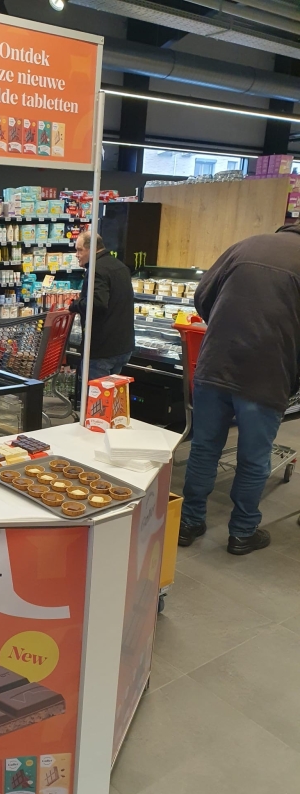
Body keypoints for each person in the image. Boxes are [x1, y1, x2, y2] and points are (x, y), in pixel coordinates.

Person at [179, 224, 300, 555]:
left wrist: (226, 328)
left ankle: (189, 522)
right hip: (266, 374)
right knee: (253, 457)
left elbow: (202, 295)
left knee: (204, 448)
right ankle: (242, 532)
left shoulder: (246, 245)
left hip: (215, 364)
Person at [69, 231, 134, 380]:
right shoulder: (120, 266)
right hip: (122, 346)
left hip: (102, 350)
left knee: (96, 394)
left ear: (92, 249)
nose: (76, 255)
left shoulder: (96, 270)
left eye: (79, 250)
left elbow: (97, 303)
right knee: (111, 392)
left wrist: (74, 305)